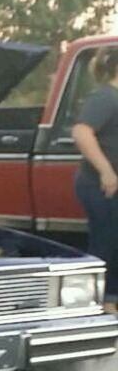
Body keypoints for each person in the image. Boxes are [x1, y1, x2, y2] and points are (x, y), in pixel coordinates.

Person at [72, 47, 118, 313]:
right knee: (106, 242)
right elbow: (81, 132)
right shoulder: (105, 97)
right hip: (100, 185)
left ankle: (111, 297)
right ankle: (102, 302)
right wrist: (106, 171)